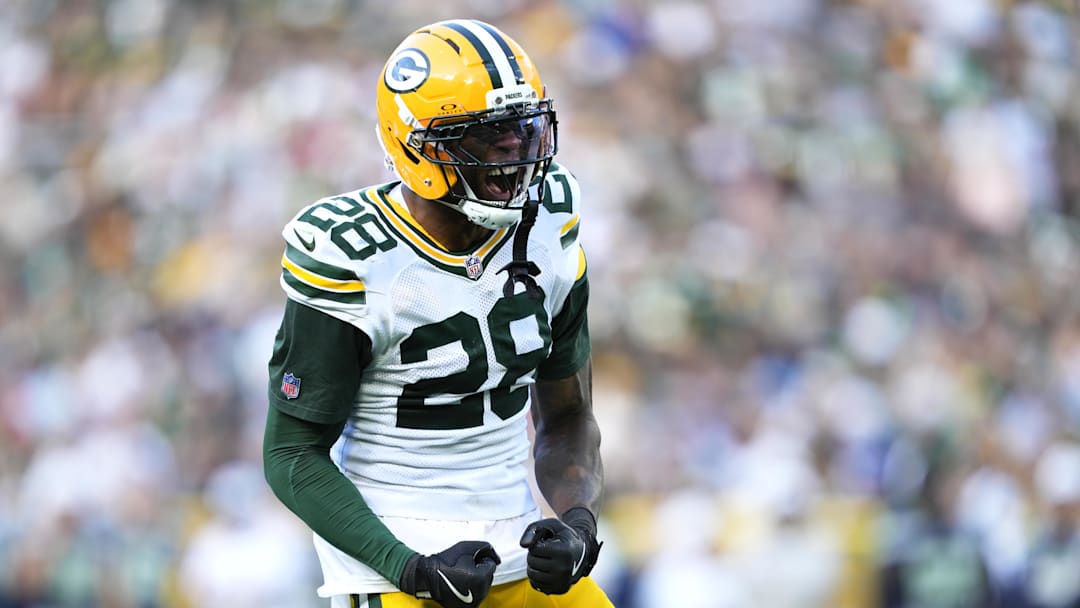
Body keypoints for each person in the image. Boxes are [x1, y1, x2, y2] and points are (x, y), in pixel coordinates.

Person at [262, 18, 611, 608]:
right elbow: (291, 455)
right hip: (395, 557)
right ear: (417, 146)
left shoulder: (551, 218)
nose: (514, 153)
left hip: (515, 547)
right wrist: (413, 569)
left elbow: (569, 415)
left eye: (521, 129)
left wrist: (578, 523)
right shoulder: (353, 257)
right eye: (488, 137)